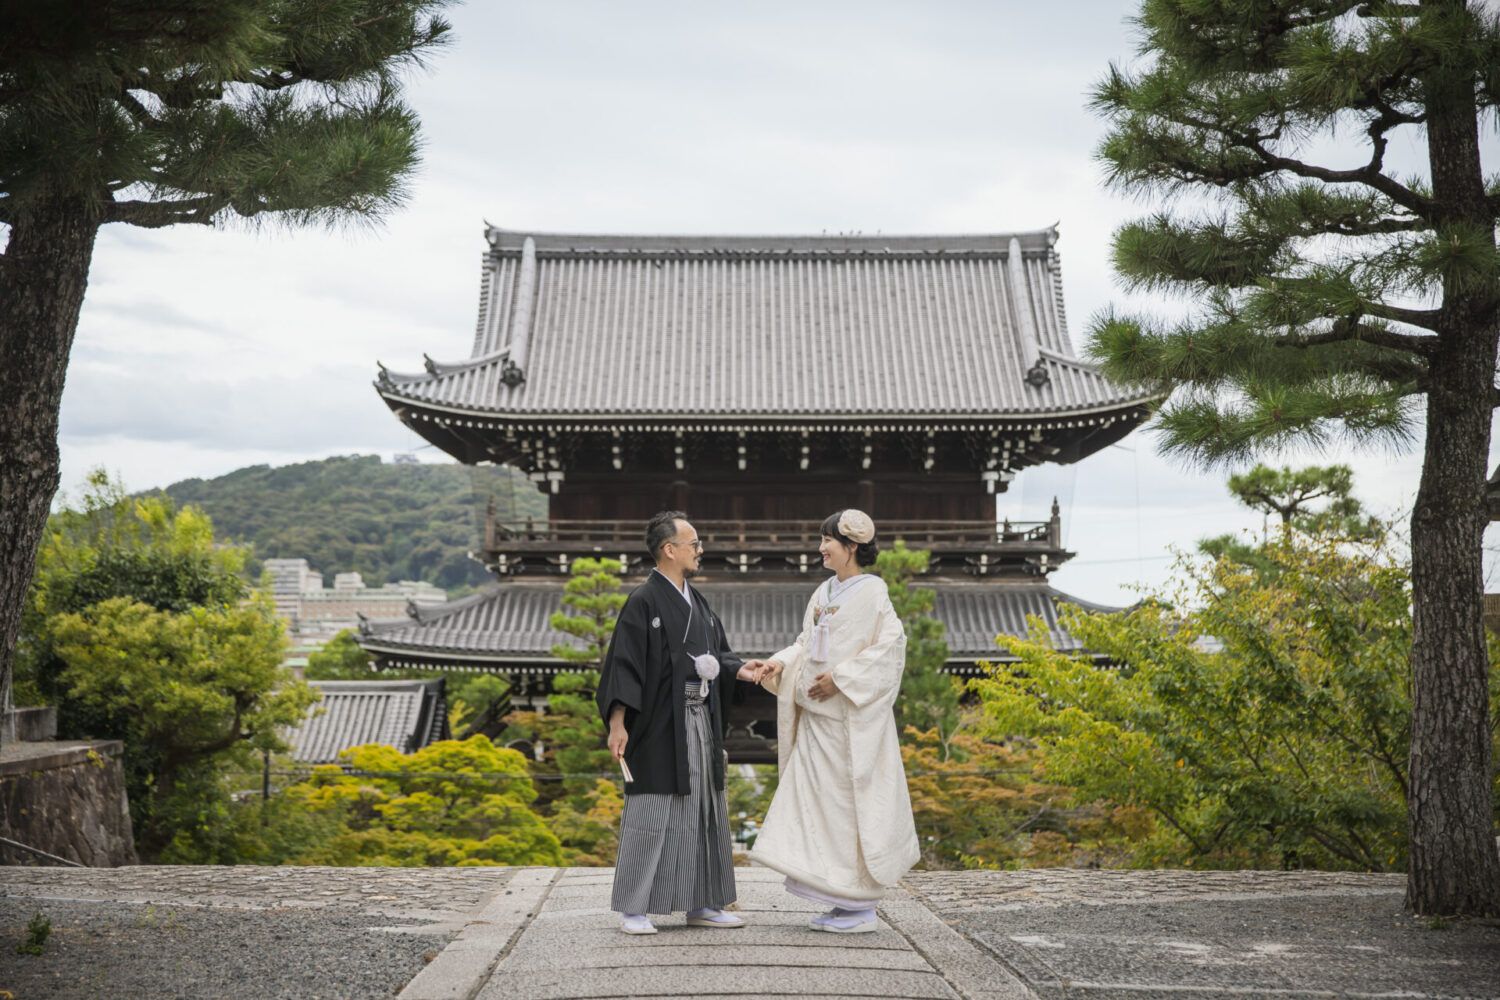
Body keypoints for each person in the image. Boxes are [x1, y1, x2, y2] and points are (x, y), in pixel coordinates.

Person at [744, 509, 920, 934]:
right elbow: (807, 643)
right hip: (817, 723)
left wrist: (841, 679)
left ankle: (861, 907)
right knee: (817, 809)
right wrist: (777, 662)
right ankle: (840, 900)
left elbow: (891, 648)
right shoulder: (824, 591)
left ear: (851, 547)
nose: (821, 548)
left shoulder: (873, 592)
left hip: (849, 726)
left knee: (847, 810)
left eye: (828, 541)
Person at [596, 510, 763, 935]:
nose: (700, 550)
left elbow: (718, 654)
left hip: (701, 718)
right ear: (669, 550)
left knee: (706, 808)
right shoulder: (643, 600)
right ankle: (634, 908)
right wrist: (618, 723)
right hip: (658, 723)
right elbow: (624, 665)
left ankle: (703, 902)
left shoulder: (698, 603)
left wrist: (740, 669)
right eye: (694, 544)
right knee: (652, 808)